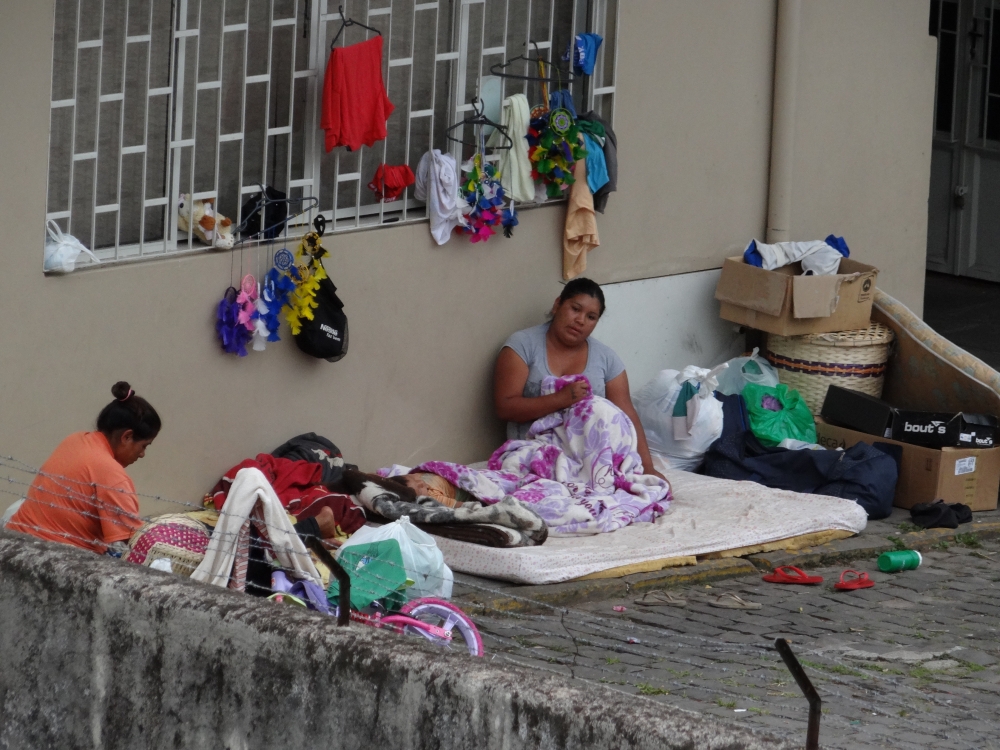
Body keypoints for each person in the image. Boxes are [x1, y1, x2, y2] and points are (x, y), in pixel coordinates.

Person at [494, 277, 666, 481]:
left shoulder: (607, 359)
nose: (581, 320)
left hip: (592, 463)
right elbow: (505, 407)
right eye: (575, 309)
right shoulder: (523, 345)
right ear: (558, 304)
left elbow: (626, 416)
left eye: (591, 317)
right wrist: (561, 399)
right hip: (533, 458)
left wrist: (648, 467)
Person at [7, 381, 161, 554]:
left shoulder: (75, 439)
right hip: (55, 560)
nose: (142, 455)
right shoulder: (112, 475)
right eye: (144, 446)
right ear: (127, 437)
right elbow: (134, 544)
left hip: (14, 542)